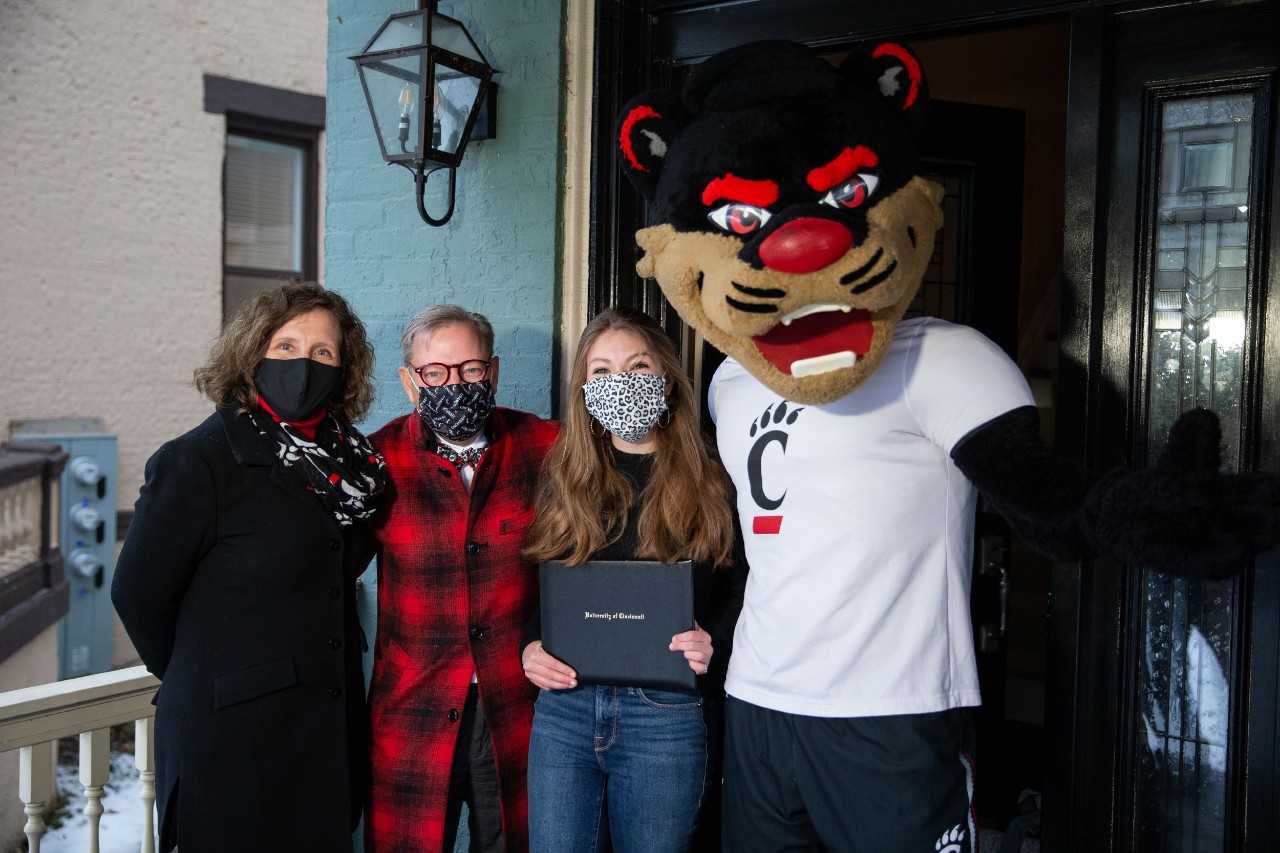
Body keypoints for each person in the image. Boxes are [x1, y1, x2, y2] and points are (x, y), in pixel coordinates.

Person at [111, 281, 386, 853]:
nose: (303, 365)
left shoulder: (357, 466)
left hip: (325, 737)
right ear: (250, 353)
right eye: (285, 347)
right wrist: (207, 675)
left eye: (323, 353)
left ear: (345, 368)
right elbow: (137, 595)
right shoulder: (197, 461)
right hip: (232, 742)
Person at [520, 307, 746, 853]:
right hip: (565, 709)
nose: (619, 382)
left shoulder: (714, 475)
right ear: (584, 389)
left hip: (666, 713)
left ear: (666, 377)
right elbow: (541, 581)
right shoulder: (564, 475)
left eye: (637, 365)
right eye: (600, 371)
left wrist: (713, 635)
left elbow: (743, 582)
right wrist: (529, 646)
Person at [364, 305, 559, 853]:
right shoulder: (376, 461)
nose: (454, 384)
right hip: (413, 709)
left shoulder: (548, 447)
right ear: (410, 382)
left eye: (470, 370)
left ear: (493, 373)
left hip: (518, 704)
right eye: (436, 373)